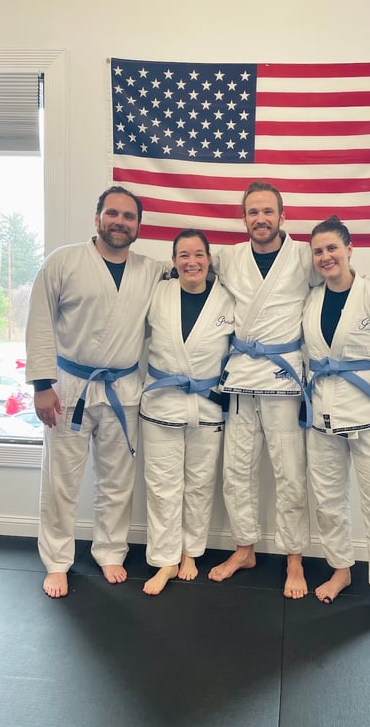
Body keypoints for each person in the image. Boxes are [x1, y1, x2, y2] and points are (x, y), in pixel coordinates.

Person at [208, 181, 370, 599]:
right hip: (240, 377)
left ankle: (293, 558)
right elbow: (189, 267)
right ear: (244, 218)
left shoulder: (304, 256)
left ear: (282, 216)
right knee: (236, 471)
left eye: (268, 211)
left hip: (284, 380)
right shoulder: (228, 258)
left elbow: (347, 282)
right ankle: (244, 548)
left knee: (290, 473)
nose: (260, 218)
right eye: (253, 212)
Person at [25, 185, 163, 599]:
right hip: (69, 387)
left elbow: (197, 272)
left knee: (117, 479)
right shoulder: (63, 262)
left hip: (123, 388)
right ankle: (57, 560)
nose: (120, 222)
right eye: (113, 213)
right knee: (61, 480)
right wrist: (42, 385)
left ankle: (110, 551)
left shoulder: (151, 270)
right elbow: (40, 322)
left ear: (138, 226)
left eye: (129, 216)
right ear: (97, 217)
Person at [303, 215, 370, 632]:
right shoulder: (310, 298)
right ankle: (340, 570)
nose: (325, 256)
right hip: (322, 415)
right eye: (318, 251)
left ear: (350, 249)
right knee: (328, 503)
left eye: (332, 247)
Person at [139, 229, 234, 595]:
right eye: (183, 255)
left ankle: (190, 552)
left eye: (198, 254)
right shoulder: (157, 293)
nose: (191, 262)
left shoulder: (227, 297)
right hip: (161, 401)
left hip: (208, 404)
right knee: (162, 486)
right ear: (173, 261)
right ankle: (165, 560)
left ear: (209, 259)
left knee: (200, 483)